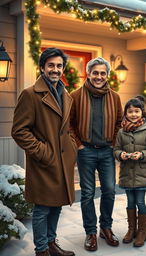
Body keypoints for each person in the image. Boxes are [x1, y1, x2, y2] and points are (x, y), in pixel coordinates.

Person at [12, 48, 77, 256]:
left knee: (56, 204)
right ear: (42, 67)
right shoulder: (30, 94)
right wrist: (43, 152)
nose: (55, 69)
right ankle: (41, 250)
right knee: (42, 209)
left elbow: (68, 128)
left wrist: (72, 147)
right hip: (44, 162)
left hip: (62, 162)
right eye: (51, 65)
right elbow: (19, 131)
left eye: (59, 66)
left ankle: (51, 244)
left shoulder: (65, 95)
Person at [70, 57, 123, 252]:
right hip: (86, 151)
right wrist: (79, 145)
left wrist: (114, 144)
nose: (99, 76)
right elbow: (70, 124)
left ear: (107, 75)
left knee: (109, 190)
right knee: (87, 193)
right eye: (95, 73)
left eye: (103, 73)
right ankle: (90, 232)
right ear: (88, 74)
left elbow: (119, 122)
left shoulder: (115, 97)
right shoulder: (75, 95)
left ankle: (106, 228)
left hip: (107, 151)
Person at [113, 96, 146, 247]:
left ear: (142, 113)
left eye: (136, 111)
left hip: (142, 174)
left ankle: (142, 232)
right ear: (125, 113)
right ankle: (131, 229)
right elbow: (116, 150)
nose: (133, 114)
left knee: (140, 201)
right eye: (130, 111)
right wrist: (121, 155)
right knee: (130, 202)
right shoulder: (121, 132)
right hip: (127, 173)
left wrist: (142, 155)